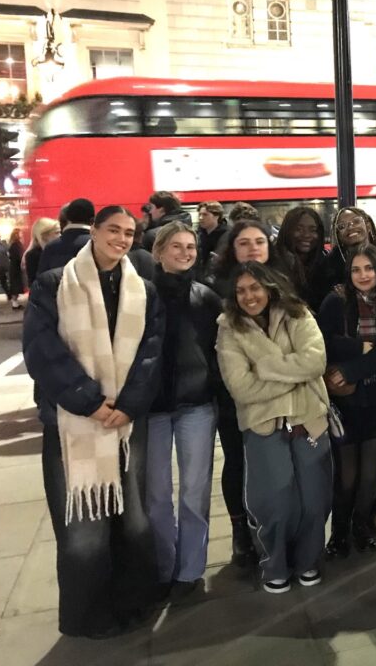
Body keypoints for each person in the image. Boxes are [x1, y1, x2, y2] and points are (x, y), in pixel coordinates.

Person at [22, 205, 164, 638]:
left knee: (132, 517)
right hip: (74, 424)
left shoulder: (144, 291)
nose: (121, 239)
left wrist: (130, 403)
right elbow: (42, 352)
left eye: (129, 233)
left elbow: (152, 351)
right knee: (84, 525)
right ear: (95, 232)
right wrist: (90, 402)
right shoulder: (53, 285)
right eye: (114, 230)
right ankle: (89, 615)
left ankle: (134, 601)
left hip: (125, 423)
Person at [216, 262, 332, 593]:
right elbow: (241, 387)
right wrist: (294, 376)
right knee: (275, 503)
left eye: (255, 288)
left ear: (269, 287)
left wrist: (263, 367)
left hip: (309, 421)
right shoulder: (229, 328)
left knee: (314, 500)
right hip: (265, 426)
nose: (249, 296)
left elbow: (315, 362)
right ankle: (275, 564)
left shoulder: (298, 314)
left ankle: (309, 561)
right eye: (241, 290)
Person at [146, 222, 222, 599]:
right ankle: (163, 567)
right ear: (158, 252)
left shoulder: (205, 297)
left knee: (194, 491)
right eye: (175, 246)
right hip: (153, 408)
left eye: (190, 246)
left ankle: (190, 570)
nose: (185, 252)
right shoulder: (140, 296)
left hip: (196, 406)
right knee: (157, 494)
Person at [206, 219, 287, 565]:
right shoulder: (216, 290)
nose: (253, 247)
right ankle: (242, 531)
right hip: (235, 392)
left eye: (259, 241)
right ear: (232, 249)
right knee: (238, 460)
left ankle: (275, 528)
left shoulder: (283, 287)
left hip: (282, 391)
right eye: (244, 242)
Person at [317, 246, 376, 557]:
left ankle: (361, 525)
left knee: (371, 473)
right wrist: (361, 347)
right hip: (346, 402)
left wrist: (351, 366)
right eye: (356, 269)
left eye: (369, 268)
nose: (363, 275)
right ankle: (338, 532)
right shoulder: (336, 300)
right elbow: (323, 341)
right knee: (345, 474)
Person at [321, 207, 376, 295]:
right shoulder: (329, 266)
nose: (350, 227)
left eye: (356, 221)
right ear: (338, 236)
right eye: (342, 226)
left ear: (368, 225)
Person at [276, 206, 331, 311]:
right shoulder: (274, 264)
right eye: (298, 229)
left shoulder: (326, 264)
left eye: (313, 230)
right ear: (287, 231)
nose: (306, 235)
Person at [38, 198, 95, 274]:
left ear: (68, 218)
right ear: (92, 220)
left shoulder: (50, 247)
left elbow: (41, 280)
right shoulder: (98, 245)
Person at [24, 217, 61, 288]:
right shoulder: (33, 255)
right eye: (57, 232)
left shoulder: (58, 249)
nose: (60, 235)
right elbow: (33, 282)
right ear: (44, 236)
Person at [196, 201, 228, 275]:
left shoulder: (227, 235)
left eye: (205, 215)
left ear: (216, 216)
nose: (201, 218)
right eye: (199, 214)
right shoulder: (198, 235)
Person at [6, 228, 25, 308]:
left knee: (15, 285)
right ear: (16, 235)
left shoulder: (13, 244)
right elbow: (19, 256)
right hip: (16, 268)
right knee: (15, 285)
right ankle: (14, 303)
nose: (22, 234)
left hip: (14, 267)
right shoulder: (16, 245)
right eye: (20, 233)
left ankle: (15, 302)